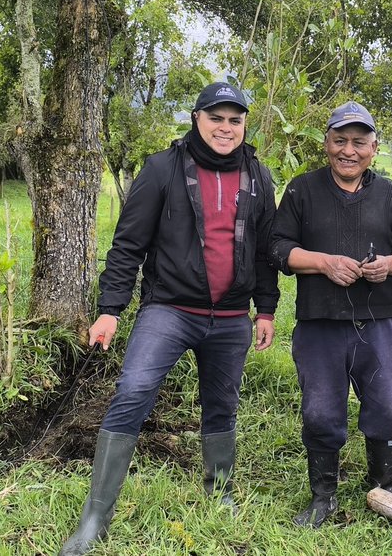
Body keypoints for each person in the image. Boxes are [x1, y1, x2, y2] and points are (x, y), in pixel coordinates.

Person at [57, 82, 279, 556]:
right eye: (216, 118)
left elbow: (264, 251)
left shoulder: (259, 176)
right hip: (169, 310)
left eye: (234, 120)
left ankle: (220, 494)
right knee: (133, 390)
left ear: (244, 125)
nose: (225, 128)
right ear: (197, 118)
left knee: (222, 405)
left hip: (233, 316)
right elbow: (128, 245)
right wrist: (109, 309)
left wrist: (268, 308)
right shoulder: (162, 169)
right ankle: (95, 517)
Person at [270, 101, 392, 528]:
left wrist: (389, 265)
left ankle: (385, 490)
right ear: (326, 145)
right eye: (340, 140)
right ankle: (323, 496)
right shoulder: (302, 191)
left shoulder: (391, 194)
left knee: (386, 409)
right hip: (320, 322)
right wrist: (323, 263)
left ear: (374, 148)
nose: (349, 150)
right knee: (320, 411)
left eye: (359, 142)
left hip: (382, 324)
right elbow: (278, 248)